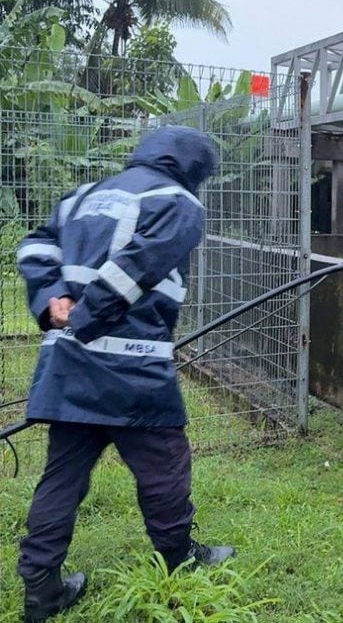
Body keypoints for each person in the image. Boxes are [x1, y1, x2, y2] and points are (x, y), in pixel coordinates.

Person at [15, 126, 235, 622]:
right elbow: (142, 263)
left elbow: (34, 249)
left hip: (67, 365)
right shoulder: (177, 201)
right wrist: (89, 314)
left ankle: (41, 587)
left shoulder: (81, 197)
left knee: (63, 476)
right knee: (164, 465)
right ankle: (178, 561)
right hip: (132, 365)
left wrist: (54, 301)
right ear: (191, 167)